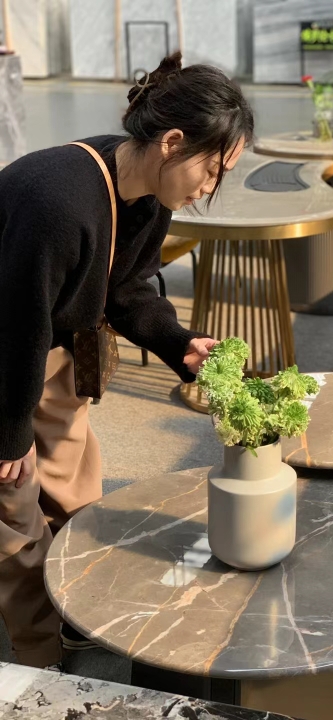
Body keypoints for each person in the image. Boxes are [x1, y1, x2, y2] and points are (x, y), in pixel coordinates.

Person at [0, 52, 254, 669]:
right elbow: (17, 325)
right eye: (212, 169)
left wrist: (178, 343)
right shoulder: (57, 199)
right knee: (16, 521)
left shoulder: (147, 194)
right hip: (9, 358)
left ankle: (75, 616)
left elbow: (127, 289)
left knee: (77, 500)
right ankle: (39, 661)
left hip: (50, 355)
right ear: (173, 142)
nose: (210, 188)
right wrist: (10, 434)